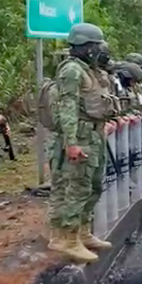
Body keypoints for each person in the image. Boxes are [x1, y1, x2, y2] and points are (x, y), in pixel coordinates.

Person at [48, 23, 118, 263]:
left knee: (94, 185)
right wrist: (71, 143)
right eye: (96, 46)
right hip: (80, 136)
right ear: (86, 47)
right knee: (77, 187)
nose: (99, 50)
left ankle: (83, 232)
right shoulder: (72, 71)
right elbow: (67, 108)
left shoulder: (90, 70)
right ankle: (68, 239)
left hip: (95, 135)